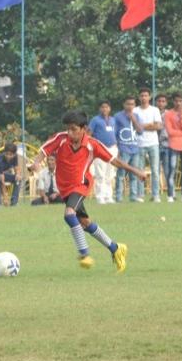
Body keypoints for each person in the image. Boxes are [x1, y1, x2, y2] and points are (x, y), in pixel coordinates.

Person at [29, 110, 148, 271]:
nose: (70, 133)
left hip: (81, 185)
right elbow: (44, 151)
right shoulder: (61, 139)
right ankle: (115, 248)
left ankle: (85, 254)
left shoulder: (93, 145)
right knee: (85, 223)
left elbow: (115, 161)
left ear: (83, 128)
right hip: (65, 188)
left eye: (73, 129)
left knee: (69, 214)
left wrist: (136, 171)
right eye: (68, 129)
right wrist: (36, 163)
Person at [134, 87, 162, 202]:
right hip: (139, 143)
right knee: (139, 170)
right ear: (139, 97)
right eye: (142, 95)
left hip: (153, 143)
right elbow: (134, 127)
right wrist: (149, 124)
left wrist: (142, 125)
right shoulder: (135, 110)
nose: (144, 98)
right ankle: (140, 195)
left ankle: (156, 195)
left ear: (149, 97)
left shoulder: (155, 110)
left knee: (155, 170)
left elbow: (158, 126)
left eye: (146, 95)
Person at [164, 92, 182, 201]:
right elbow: (170, 132)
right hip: (173, 145)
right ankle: (170, 195)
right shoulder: (168, 114)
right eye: (176, 101)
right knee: (172, 170)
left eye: (180, 101)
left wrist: (181, 117)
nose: (178, 103)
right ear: (173, 101)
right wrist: (181, 133)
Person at [114, 96, 143, 203]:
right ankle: (118, 196)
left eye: (132, 104)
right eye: (128, 104)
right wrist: (117, 148)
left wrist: (134, 120)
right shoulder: (117, 116)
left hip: (135, 149)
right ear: (124, 104)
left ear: (135, 105)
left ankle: (133, 196)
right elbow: (114, 133)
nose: (130, 106)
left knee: (134, 174)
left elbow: (140, 131)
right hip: (123, 148)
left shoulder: (136, 116)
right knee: (121, 174)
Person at [88, 101, 118, 204]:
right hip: (100, 149)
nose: (105, 109)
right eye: (102, 107)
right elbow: (89, 134)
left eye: (107, 107)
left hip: (112, 148)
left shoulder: (113, 120)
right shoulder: (95, 120)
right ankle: (100, 196)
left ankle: (108, 196)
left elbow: (115, 133)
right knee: (100, 173)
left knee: (110, 174)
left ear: (110, 109)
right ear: (100, 109)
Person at [155, 93, 170, 200]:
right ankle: (155, 194)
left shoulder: (169, 114)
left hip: (167, 144)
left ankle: (171, 193)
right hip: (154, 144)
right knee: (155, 170)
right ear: (156, 102)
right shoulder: (152, 112)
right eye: (159, 101)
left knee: (168, 170)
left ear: (166, 103)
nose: (161, 103)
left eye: (163, 101)